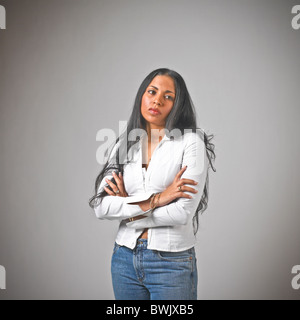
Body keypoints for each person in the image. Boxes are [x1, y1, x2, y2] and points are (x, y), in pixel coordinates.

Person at [89, 68, 216, 300]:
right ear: (142, 96)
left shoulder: (191, 143)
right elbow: (101, 207)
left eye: (168, 96)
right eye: (152, 91)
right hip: (124, 259)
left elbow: (182, 213)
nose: (157, 100)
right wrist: (158, 199)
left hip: (171, 261)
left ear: (178, 105)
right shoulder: (124, 145)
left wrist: (128, 212)